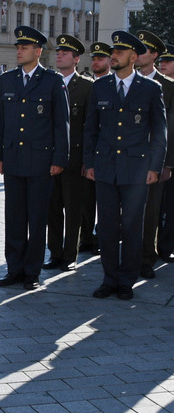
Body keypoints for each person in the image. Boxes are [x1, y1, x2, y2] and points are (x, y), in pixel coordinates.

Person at [84, 31, 167, 300]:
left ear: (133, 57)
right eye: (112, 52)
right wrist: (89, 163)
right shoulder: (100, 86)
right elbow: (90, 130)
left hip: (136, 169)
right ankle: (109, 279)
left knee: (132, 227)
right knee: (107, 227)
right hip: (106, 167)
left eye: (119, 52)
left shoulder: (151, 88)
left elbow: (159, 132)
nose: (113, 56)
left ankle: (126, 280)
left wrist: (155, 167)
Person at [0, 26, 70, 290]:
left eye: (24, 47)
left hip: (40, 161)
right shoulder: (7, 80)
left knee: (37, 220)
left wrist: (60, 158)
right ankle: (14, 269)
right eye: (17, 47)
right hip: (13, 159)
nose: (19, 51)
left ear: (38, 51)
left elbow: (62, 124)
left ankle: (32, 271)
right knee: (14, 218)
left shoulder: (52, 80)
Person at [44, 34, 93, 272]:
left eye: (64, 53)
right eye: (58, 52)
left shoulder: (86, 87)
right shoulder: (48, 82)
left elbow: (91, 126)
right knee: (52, 209)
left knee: (74, 209)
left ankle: (70, 254)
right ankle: (54, 252)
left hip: (74, 160)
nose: (59, 55)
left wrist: (88, 160)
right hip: (49, 157)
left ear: (76, 59)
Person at [134, 31, 174, 275]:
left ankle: (146, 259)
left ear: (155, 55)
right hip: (127, 158)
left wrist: (167, 163)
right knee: (126, 213)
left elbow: (170, 127)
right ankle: (127, 257)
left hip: (154, 161)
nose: (137, 55)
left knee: (150, 213)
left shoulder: (168, 86)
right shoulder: (126, 81)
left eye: (144, 50)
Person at [79, 41, 113, 256]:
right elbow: (86, 125)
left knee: (106, 203)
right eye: (94, 58)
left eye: (100, 58)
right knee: (86, 200)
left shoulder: (114, 86)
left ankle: (102, 236)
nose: (95, 61)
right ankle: (86, 238)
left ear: (110, 61)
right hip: (90, 153)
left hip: (109, 154)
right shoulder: (90, 86)